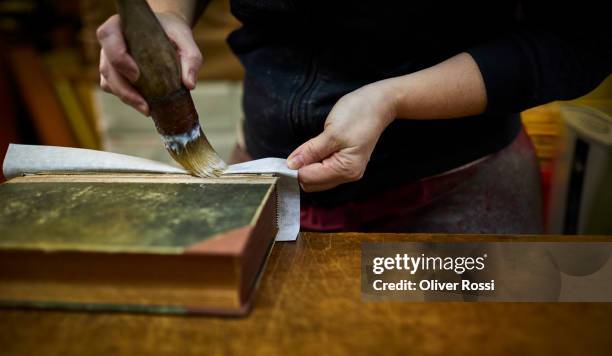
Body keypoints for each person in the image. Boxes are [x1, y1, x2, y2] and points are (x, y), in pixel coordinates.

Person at [97, 1, 612, 233]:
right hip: (261, 179)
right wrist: (163, 13)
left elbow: (578, 40)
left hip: (454, 195)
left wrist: (393, 98)